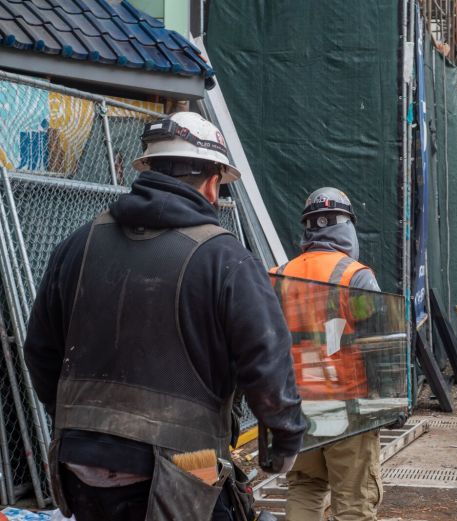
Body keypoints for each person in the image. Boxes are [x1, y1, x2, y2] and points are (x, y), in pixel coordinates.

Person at [23, 112, 305, 521]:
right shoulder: (226, 260)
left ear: (149, 170)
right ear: (212, 182)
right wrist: (285, 440)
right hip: (185, 467)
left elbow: (40, 352)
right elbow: (267, 364)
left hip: (79, 464)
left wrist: (83, 426)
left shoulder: (77, 246)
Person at [270, 187, 383, 521]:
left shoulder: (277, 276)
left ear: (308, 228)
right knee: (353, 499)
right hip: (349, 406)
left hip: (297, 407)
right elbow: (377, 340)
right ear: (346, 226)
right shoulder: (356, 276)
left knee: (304, 486)